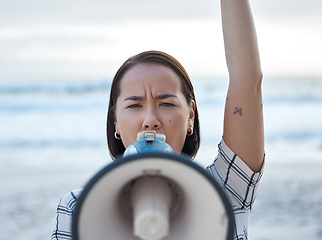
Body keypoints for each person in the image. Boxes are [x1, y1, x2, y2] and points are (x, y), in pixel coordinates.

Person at [51, 0, 264, 239]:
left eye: (166, 103)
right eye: (134, 105)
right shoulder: (79, 209)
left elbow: (247, 80)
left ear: (190, 116)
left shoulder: (225, 191)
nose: (150, 120)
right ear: (115, 123)